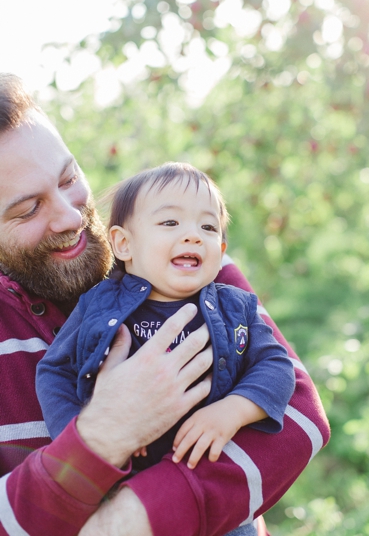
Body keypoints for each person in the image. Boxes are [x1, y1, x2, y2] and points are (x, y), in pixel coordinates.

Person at [0, 73, 330, 536]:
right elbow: (55, 375)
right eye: (28, 208)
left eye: (69, 178)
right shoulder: (146, 245)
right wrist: (95, 437)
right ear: (125, 242)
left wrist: (136, 516)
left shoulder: (188, 264)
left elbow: (301, 414)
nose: (73, 216)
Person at [37, 163, 297, 492]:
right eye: (170, 222)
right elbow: (55, 370)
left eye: (208, 226)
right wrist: (83, 439)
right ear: (124, 244)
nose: (192, 235)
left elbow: (276, 365)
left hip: (210, 487)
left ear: (220, 251)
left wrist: (232, 412)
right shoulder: (99, 304)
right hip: (123, 482)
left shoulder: (236, 308)